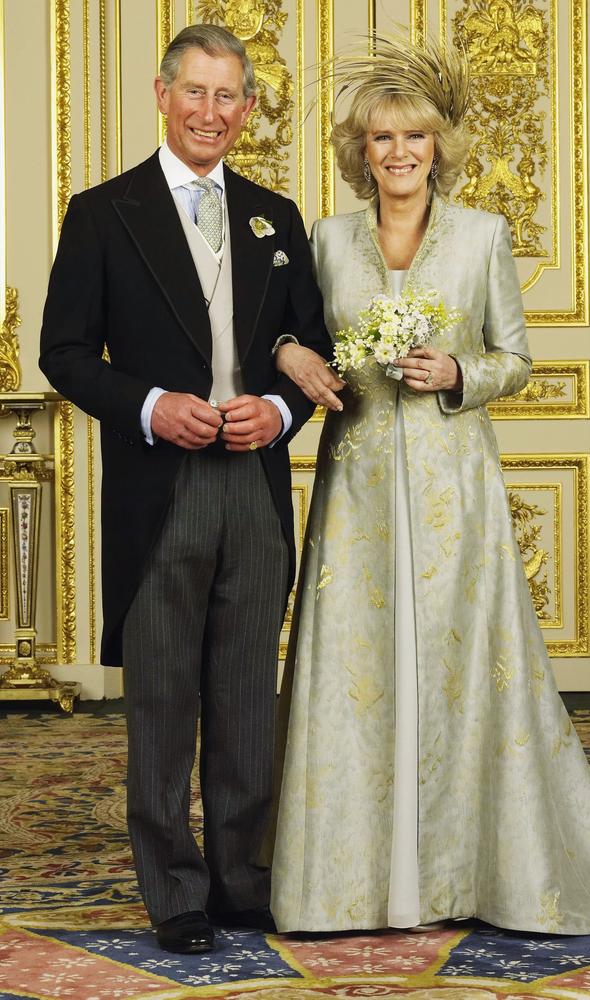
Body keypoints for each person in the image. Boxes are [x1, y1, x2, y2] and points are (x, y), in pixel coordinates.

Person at [269, 34, 590, 934]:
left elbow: (515, 360)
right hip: (357, 488)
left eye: (414, 138)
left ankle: (465, 873)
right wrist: (302, 358)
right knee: (357, 666)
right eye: (381, 140)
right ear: (360, 152)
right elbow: (297, 342)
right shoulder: (326, 241)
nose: (399, 154)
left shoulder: (483, 236)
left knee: (456, 662)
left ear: (440, 145)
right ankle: (345, 884)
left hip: (453, 489)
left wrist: (459, 375)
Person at [39, 24, 331, 954]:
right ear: (161, 95)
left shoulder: (274, 214)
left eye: (227, 97)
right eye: (194, 92)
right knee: (163, 697)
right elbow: (65, 354)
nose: (211, 112)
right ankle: (175, 891)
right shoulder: (101, 212)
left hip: (252, 484)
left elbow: (307, 347)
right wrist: (153, 404)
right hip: (160, 487)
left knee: (248, 694)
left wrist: (281, 415)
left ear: (247, 110)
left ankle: (243, 878)